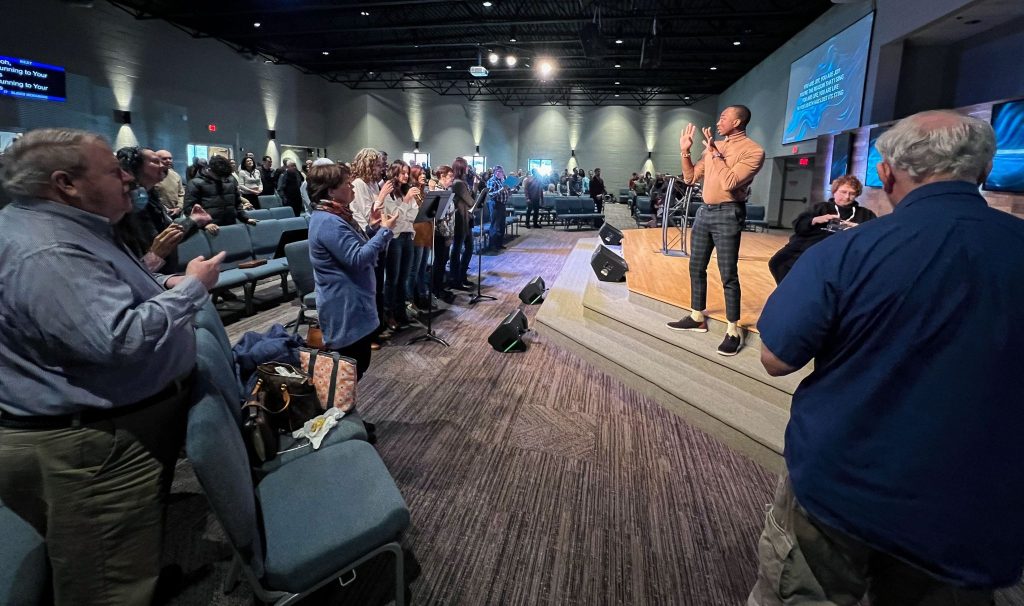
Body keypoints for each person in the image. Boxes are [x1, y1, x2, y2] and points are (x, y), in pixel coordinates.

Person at [749, 110, 1024, 606]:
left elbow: (774, 356)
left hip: (842, 484)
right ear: (983, 171)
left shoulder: (845, 253)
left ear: (887, 173)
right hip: (976, 500)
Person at [0, 128, 224, 605]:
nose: (127, 176)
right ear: (65, 184)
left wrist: (161, 280)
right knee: (105, 583)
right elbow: (116, 339)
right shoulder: (49, 250)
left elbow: (104, 299)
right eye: (112, 170)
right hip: (91, 447)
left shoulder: (71, 229)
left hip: (107, 431)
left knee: (115, 557)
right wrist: (191, 289)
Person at [666, 105, 765, 356]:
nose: (718, 121)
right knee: (696, 266)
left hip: (729, 213)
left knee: (728, 274)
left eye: (724, 117)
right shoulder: (715, 146)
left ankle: (733, 329)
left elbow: (729, 182)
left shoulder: (754, 151)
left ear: (738, 121)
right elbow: (690, 179)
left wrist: (714, 153)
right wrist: (685, 151)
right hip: (704, 212)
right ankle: (697, 316)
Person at [307, 162, 398, 378]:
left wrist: (372, 229)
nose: (353, 187)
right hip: (344, 305)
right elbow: (357, 259)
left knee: (357, 367)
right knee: (348, 371)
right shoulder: (328, 221)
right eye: (347, 184)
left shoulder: (337, 215)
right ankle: (339, 412)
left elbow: (353, 248)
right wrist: (384, 232)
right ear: (330, 190)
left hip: (354, 303)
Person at [767, 175, 876, 284]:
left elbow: (875, 236)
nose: (847, 197)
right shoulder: (821, 207)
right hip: (811, 248)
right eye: (843, 192)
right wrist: (815, 220)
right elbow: (798, 225)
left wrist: (858, 228)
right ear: (834, 191)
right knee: (778, 262)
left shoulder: (865, 214)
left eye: (852, 193)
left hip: (843, 254)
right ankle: (788, 290)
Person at [116, 146, 184, 272]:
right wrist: (156, 255)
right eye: (155, 161)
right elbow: (134, 271)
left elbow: (167, 235)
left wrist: (194, 221)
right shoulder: (126, 205)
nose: (163, 165)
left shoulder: (152, 197)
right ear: (135, 166)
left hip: (164, 274)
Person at [381, 160, 420, 329]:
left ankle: (401, 311)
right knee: (393, 279)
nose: (406, 176)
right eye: (402, 173)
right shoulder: (389, 193)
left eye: (407, 173)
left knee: (404, 277)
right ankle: (389, 314)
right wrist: (406, 202)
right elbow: (393, 219)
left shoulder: (405, 191)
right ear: (394, 173)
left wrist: (404, 208)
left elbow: (414, 215)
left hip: (408, 236)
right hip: (395, 238)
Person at [185, 154, 255, 230]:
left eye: (224, 176)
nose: (222, 179)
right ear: (209, 169)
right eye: (219, 176)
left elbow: (237, 203)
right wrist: (204, 225)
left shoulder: (230, 180)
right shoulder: (195, 183)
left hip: (230, 224)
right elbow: (189, 209)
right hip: (209, 229)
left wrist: (245, 218)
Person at [448, 156, 476, 290]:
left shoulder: (462, 182)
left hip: (466, 218)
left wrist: (475, 186)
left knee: (469, 247)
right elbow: (471, 202)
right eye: (466, 166)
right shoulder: (458, 183)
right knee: (458, 249)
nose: (468, 169)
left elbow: (472, 200)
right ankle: (456, 279)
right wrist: (474, 188)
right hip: (460, 219)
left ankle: (462, 275)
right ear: (461, 168)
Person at [484, 165, 510, 252]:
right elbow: (491, 194)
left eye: (502, 171)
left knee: (502, 225)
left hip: (502, 204)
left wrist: (510, 190)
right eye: (499, 171)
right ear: (495, 172)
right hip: (495, 204)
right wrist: (502, 190)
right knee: (495, 225)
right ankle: (492, 245)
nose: (501, 173)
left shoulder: (502, 180)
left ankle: (499, 244)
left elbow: (506, 192)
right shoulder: (492, 181)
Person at [153, 149, 185, 215]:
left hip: (176, 212)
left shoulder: (175, 175)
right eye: (164, 159)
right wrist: (163, 208)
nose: (168, 161)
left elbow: (181, 193)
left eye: (170, 158)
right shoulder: (151, 176)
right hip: (158, 213)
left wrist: (179, 207)